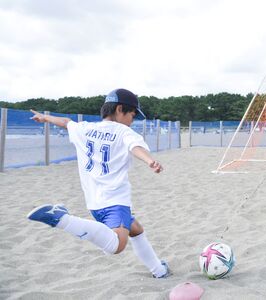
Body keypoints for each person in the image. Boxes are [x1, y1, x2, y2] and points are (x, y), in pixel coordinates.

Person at [27, 88, 170, 278]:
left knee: (136, 230)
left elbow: (66, 123)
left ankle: (159, 270)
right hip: (115, 201)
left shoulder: (85, 128)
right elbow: (135, 147)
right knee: (117, 246)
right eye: (133, 115)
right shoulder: (124, 132)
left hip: (94, 203)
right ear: (120, 109)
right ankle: (62, 219)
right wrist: (149, 160)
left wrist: (45, 118)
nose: (132, 120)